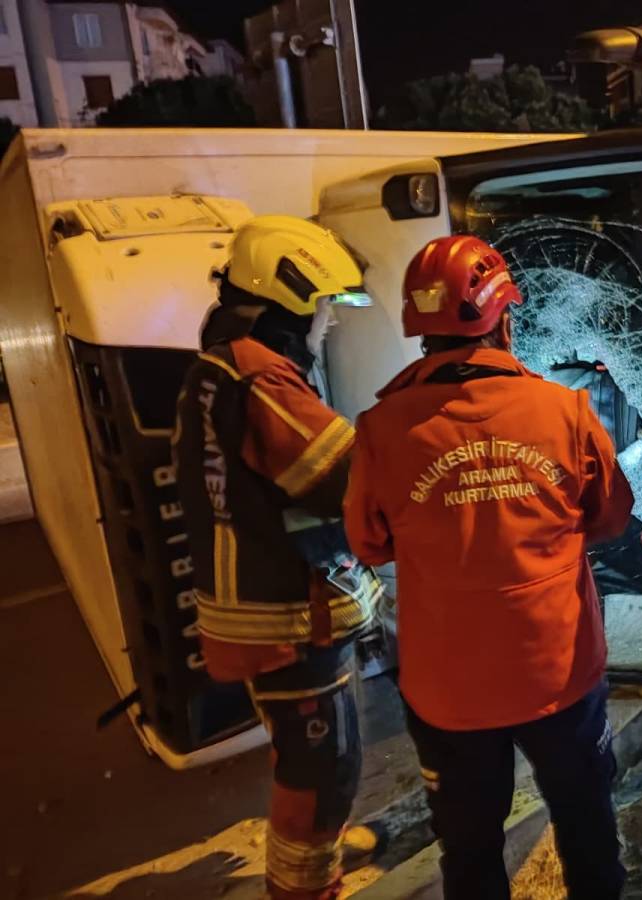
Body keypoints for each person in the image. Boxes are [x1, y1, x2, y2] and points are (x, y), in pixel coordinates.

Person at [343, 235, 633, 900]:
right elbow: (612, 518)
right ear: (504, 319)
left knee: (470, 857)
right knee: (588, 833)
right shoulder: (566, 412)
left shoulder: (381, 430)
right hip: (559, 675)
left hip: (450, 694)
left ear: (420, 332)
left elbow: (369, 543)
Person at [173, 215, 383, 900]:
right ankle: (304, 888)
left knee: (310, 759)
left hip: (257, 612)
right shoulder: (262, 378)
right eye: (325, 308)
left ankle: (311, 859)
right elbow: (347, 477)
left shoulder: (215, 367)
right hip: (286, 620)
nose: (329, 325)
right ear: (290, 299)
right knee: (323, 767)